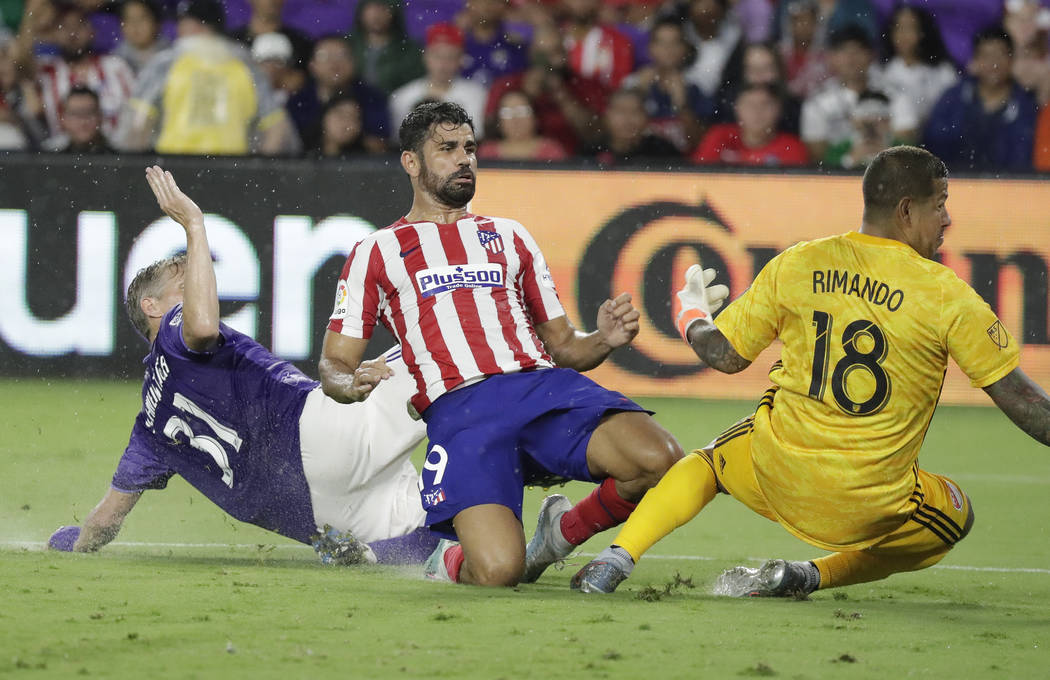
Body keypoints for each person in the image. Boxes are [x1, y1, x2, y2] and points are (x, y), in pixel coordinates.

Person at [570, 145, 1050, 596]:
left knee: (709, 461)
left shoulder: (800, 262)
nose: (948, 218)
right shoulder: (948, 295)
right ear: (906, 211)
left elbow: (725, 357)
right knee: (953, 518)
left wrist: (691, 314)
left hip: (776, 473)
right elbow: (1027, 408)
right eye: (940, 204)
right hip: (868, 506)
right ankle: (808, 575)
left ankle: (615, 559)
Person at [320, 101, 683, 587]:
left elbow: (566, 348)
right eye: (446, 149)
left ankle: (561, 534)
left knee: (660, 460)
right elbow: (334, 363)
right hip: (462, 413)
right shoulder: (377, 250)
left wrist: (604, 339)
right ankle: (444, 561)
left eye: (469, 148)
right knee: (497, 572)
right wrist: (348, 384)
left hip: (539, 388)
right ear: (411, 162)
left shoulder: (508, 236)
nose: (463, 159)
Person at [48, 166, 439, 567]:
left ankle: (369, 557)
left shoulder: (149, 428)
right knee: (445, 342)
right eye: (183, 285)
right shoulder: (174, 330)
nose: (199, 287)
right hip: (317, 435)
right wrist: (194, 225)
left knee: (457, 525)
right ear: (152, 307)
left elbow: (109, 518)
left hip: (315, 511)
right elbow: (201, 327)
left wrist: (75, 541)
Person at [114, 0, 300, 156]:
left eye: (182, 23)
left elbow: (137, 125)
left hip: (173, 168)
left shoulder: (166, 62)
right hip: (234, 168)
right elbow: (278, 129)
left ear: (194, 25)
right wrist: (257, 172)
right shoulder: (246, 65)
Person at [923, 26, 1038, 173]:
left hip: (1009, 187)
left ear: (1011, 59)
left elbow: (1025, 161)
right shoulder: (953, 98)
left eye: (999, 55)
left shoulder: (1027, 107)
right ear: (975, 60)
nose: (993, 63)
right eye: (986, 56)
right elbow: (933, 146)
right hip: (955, 185)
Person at [800, 23, 916, 164]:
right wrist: (849, 159)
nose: (851, 58)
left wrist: (881, 152)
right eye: (843, 51)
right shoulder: (817, 102)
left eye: (858, 50)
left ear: (871, 55)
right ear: (830, 57)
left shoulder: (896, 95)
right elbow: (818, 156)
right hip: (838, 177)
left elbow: (907, 143)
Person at [286, 35, 390, 154]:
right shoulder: (298, 101)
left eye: (342, 55)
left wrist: (352, 137)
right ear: (312, 65)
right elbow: (291, 147)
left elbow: (379, 146)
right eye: (324, 56)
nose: (334, 63)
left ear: (354, 62)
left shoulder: (373, 98)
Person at [622, 16, 710, 153]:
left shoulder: (697, 86)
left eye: (674, 43)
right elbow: (618, 139)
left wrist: (682, 104)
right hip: (638, 162)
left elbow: (701, 143)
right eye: (661, 43)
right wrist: (638, 94)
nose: (668, 49)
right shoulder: (632, 83)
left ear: (685, 49)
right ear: (650, 48)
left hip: (683, 166)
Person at [389, 23, 487, 139]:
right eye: (437, 56)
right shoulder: (403, 97)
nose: (443, 64)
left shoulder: (477, 96)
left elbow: (476, 141)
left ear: (461, 59)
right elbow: (398, 144)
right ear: (425, 56)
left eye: (450, 57)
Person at [691, 82, 808, 167]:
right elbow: (698, 178)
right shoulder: (718, 136)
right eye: (749, 105)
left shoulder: (792, 148)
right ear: (737, 109)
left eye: (765, 104)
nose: (757, 111)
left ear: (779, 110)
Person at [878, 5, 957, 127]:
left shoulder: (943, 71)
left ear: (923, 32)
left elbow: (951, 112)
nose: (903, 35)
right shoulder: (881, 71)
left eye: (910, 28)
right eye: (898, 28)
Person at [583, 87, 681, 166]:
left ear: (646, 117)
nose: (628, 118)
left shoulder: (663, 151)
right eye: (621, 111)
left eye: (635, 111)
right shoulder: (590, 153)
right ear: (606, 117)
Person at [478, 89, 567, 161]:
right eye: (507, 113)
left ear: (535, 117)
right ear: (498, 120)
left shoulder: (551, 151)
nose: (515, 119)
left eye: (522, 111)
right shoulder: (487, 153)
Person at [43, 84, 114, 152]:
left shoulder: (120, 158)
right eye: (75, 114)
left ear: (100, 117)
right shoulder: (48, 158)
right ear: (63, 119)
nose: (83, 121)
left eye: (88, 113)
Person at [112, 0, 169, 74]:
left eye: (142, 18)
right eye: (129, 19)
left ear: (156, 23)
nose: (135, 25)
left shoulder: (171, 56)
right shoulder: (114, 61)